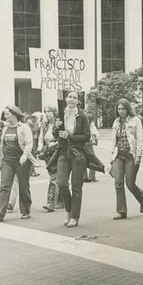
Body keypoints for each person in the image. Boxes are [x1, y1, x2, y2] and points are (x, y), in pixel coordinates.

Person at [0, 105, 37, 222]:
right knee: (4, 186)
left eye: (7, 114)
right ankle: (0, 214)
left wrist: (24, 155)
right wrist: (0, 159)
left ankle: (26, 210)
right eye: (5, 114)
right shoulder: (5, 129)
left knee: (23, 185)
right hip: (8, 160)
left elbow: (29, 143)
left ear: (14, 114)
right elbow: (2, 145)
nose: (5, 116)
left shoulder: (24, 127)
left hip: (22, 161)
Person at [53, 91, 91, 228]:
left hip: (78, 154)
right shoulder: (61, 114)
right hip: (64, 152)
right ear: (66, 99)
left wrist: (70, 136)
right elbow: (55, 134)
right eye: (69, 97)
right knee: (61, 183)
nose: (71, 99)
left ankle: (75, 216)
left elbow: (87, 136)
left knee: (76, 186)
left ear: (78, 101)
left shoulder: (82, 116)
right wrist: (56, 128)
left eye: (75, 98)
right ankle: (68, 210)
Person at [110, 98, 143, 220]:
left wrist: (139, 155)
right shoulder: (116, 122)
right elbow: (113, 141)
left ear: (128, 109)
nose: (121, 111)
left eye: (123, 109)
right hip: (118, 155)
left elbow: (140, 138)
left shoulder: (135, 120)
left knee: (130, 184)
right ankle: (121, 211)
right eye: (119, 109)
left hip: (131, 155)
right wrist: (112, 158)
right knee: (118, 183)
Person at [38, 105, 62, 212]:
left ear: (54, 113)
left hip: (58, 153)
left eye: (49, 111)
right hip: (48, 154)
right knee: (57, 178)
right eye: (45, 111)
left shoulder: (59, 124)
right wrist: (40, 148)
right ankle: (63, 200)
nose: (47, 114)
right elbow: (41, 138)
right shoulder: (45, 125)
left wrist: (55, 143)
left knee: (54, 178)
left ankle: (50, 202)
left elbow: (62, 138)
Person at [84, 114, 99, 183]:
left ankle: (87, 177)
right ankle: (90, 177)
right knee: (92, 160)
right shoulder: (90, 126)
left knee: (85, 160)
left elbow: (96, 135)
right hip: (86, 143)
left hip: (87, 143)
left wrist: (95, 141)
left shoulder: (92, 126)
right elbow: (96, 135)